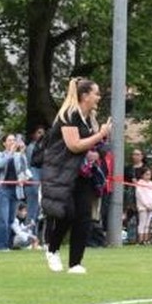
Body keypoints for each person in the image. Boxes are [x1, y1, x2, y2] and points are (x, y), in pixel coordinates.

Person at [40, 77, 113, 273]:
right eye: (96, 93)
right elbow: (74, 145)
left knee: (84, 217)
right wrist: (100, 135)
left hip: (83, 173)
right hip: (61, 172)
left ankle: (75, 263)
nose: (98, 97)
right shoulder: (69, 115)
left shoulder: (90, 118)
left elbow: (93, 145)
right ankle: (52, 248)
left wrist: (100, 148)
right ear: (84, 95)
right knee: (67, 213)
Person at [0, 133, 29, 250]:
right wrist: (10, 153)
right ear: (4, 143)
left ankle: (7, 244)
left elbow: (24, 169)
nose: (12, 142)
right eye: (9, 140)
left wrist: (23, 152)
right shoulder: (0, 154)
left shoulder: (18, 155)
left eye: (14, 140)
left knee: (10, 220)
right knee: (2, 219)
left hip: (16, 190)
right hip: (3, 189)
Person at [23, 126, 45, 227]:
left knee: (37, 210)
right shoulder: (31, 148)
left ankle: (35, 236)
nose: (41, 135)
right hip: (32, 181)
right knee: (32, 209)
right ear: (33, 135)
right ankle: (28, 236)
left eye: (42, 133)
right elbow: (27, 166)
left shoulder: (41, 148)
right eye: (39, 132)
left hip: (39, 180)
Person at [134, 167, 152, 245]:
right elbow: (140, 196)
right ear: (142, 175)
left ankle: (146, 239)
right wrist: (146, 205)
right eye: (146, 174)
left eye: (149, 174)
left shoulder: (151, 183)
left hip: (151, 206)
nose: (148, 176)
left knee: (148, 223)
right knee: (142, 223)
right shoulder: (139, 183)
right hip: (143, 207)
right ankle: (141, 239)